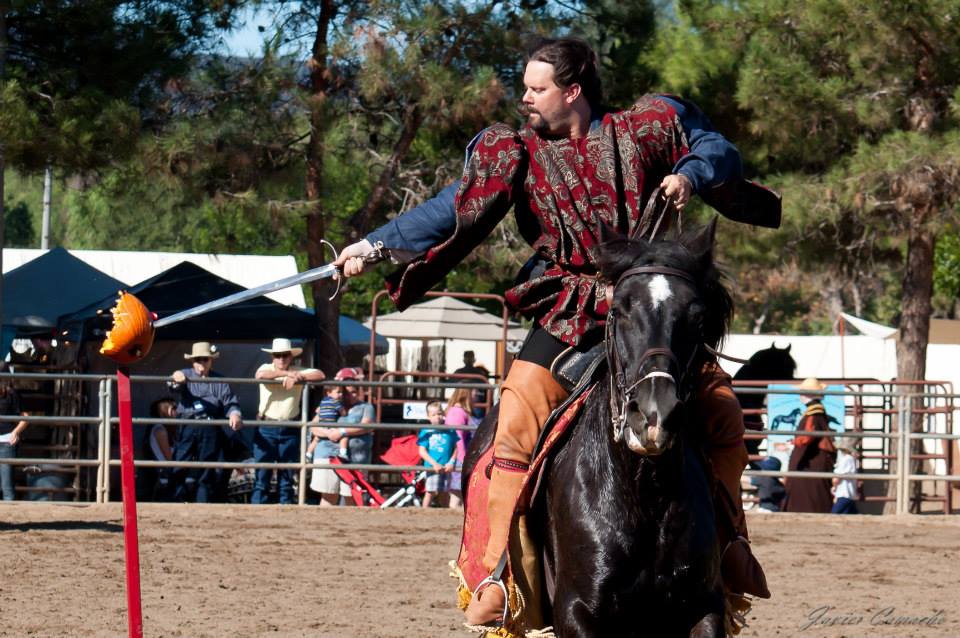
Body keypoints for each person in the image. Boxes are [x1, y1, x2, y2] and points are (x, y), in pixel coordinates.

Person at [335, 37, 780, 624]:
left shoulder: (644, 128)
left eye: (536, 88)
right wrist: (374, 246)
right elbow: (453, 207)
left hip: (644, 311)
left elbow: (715, 147)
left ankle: (729, 548)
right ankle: (499, 572)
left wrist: (690, 177)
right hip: (567, 309)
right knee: (513, 424)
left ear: (572, 91)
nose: (524, 97)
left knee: (721, 410)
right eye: (525, 87)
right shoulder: (516, 152)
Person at [168, 342, 243, 503]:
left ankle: (202, 503)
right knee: (180, 462)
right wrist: (176, 377)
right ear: (192, 361)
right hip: (188, 424)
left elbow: (230, 403)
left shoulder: (220, 380)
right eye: (198, 359)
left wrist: (234, 414)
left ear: (211, 361)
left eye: (205, 359)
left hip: (210, 426)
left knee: (207, 467)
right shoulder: (185, 374)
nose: (201, 363)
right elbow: (173, 384)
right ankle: (174, 501)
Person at [253, 338, 324, 505]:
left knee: (287, 475)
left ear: (291, 356)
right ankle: (258, 509)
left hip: (289, 427)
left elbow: (320, 374)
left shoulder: (298, 371)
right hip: (267, 426)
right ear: (272, 357)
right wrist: (287, 375)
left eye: (285, 355)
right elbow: (260, 375)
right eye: (278, 355)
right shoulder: (266, 368)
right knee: (262, 474)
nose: (281, 359)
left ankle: (285, 509)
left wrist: (299, 376)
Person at [309, 368, 376, 506]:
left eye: (353, 392)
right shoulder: (330, 404)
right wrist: (328, 433)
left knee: (352, 496)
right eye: (345, 392)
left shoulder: (366, 407)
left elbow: (367, 426)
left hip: (355, 458)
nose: (349, 395)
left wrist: (342, 431)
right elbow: (313, 426)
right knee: (328, 495)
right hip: (327, 454)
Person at [783, 377, 837, 513]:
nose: (800, 395)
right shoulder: (816, 413)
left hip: (809, 462)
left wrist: (795, 442)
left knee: (809, 493)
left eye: (802, 392)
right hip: (812, 460)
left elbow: (807, 437)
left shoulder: (814, 414)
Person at [417, 401, 457, 508]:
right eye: (433, 415)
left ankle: (446, 513)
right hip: (432, 467)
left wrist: (452, 462)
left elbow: (456, 447)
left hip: (446, 467)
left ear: (443, 414)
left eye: (439, 413)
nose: (437, 417)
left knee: (444, 493)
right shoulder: (426, 431)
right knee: (430, 492)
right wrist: (434, 464)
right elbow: (422, 451)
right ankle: (423, 512)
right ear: (428, 417)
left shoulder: (450, 430)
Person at [0, 366, 29, 501]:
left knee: (7, 485)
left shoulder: (12, 394)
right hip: (7, 442)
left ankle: (8, 511)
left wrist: (15, 432)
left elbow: (25, 417)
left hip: (6, 441)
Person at [139, 397, 177, 501]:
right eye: (174, 408)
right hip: (165, 471)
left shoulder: (164, 428)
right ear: (167, 410)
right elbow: (169, 458)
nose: (178, 411)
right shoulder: (160, 430)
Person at [445, 387, 475, 508]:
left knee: (460, 493)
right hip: (458, 457)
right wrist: (462, 459)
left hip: (459, 456)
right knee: (457, 493)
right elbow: (458, 437)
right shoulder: (458, 412)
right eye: (473, 392)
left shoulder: (458, 411)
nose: (475, 395)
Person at [454, 351, 489, 419]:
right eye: (467, 357)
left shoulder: (479, 373)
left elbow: (485, 387)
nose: (468, 359)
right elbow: (450, 383)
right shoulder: (458, 372)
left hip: (473, 402)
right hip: (464, 401)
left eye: (470, 357)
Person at [831, 436, 860, 514]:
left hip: (843, 494)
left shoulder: (846, 460)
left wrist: (834, 488)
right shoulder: (851, 460)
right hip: (849, 494)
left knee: (834, 515)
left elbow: (836, 479)